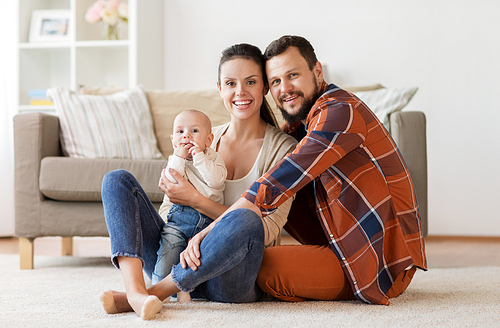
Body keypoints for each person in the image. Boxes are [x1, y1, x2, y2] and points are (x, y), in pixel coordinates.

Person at [183, 35, 427, 305]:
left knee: (262, 266)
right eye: (276, 81)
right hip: (339, 246)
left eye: (293, 75)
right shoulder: (298, 128)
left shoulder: (339, 111)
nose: (285, 88)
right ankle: (203, 282)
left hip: (380, 261)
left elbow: (278, 182)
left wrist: (212, 230)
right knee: (252, 259)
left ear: (317, 71)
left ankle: (178, 285)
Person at [99, 43, 297, 319]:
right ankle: (134, 293)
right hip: (178, 253)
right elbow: (170, 208)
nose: (240, 92)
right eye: (231, 83)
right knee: (116, 180)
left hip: (229, 277)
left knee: (247, 216)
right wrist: (179, 237)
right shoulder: (199, 135)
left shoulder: (283, 149)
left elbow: (267, 230)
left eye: (250, 82)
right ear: (220, 88)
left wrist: (195, 200)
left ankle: (155, 293)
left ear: (264, 87)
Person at [153, 109, 227, 303]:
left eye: (194, 131)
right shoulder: (174, 161)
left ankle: (184, 289)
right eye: (180, 132)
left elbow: (215, 182)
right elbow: (172, 184)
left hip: (208, 223)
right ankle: (157, 292)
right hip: (179, 219)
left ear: (209, 140)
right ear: (173, 140)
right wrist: (178, 157)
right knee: (168, 252)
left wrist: (199, 157)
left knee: (195, 259)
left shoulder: (213, 158)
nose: (186, 135)